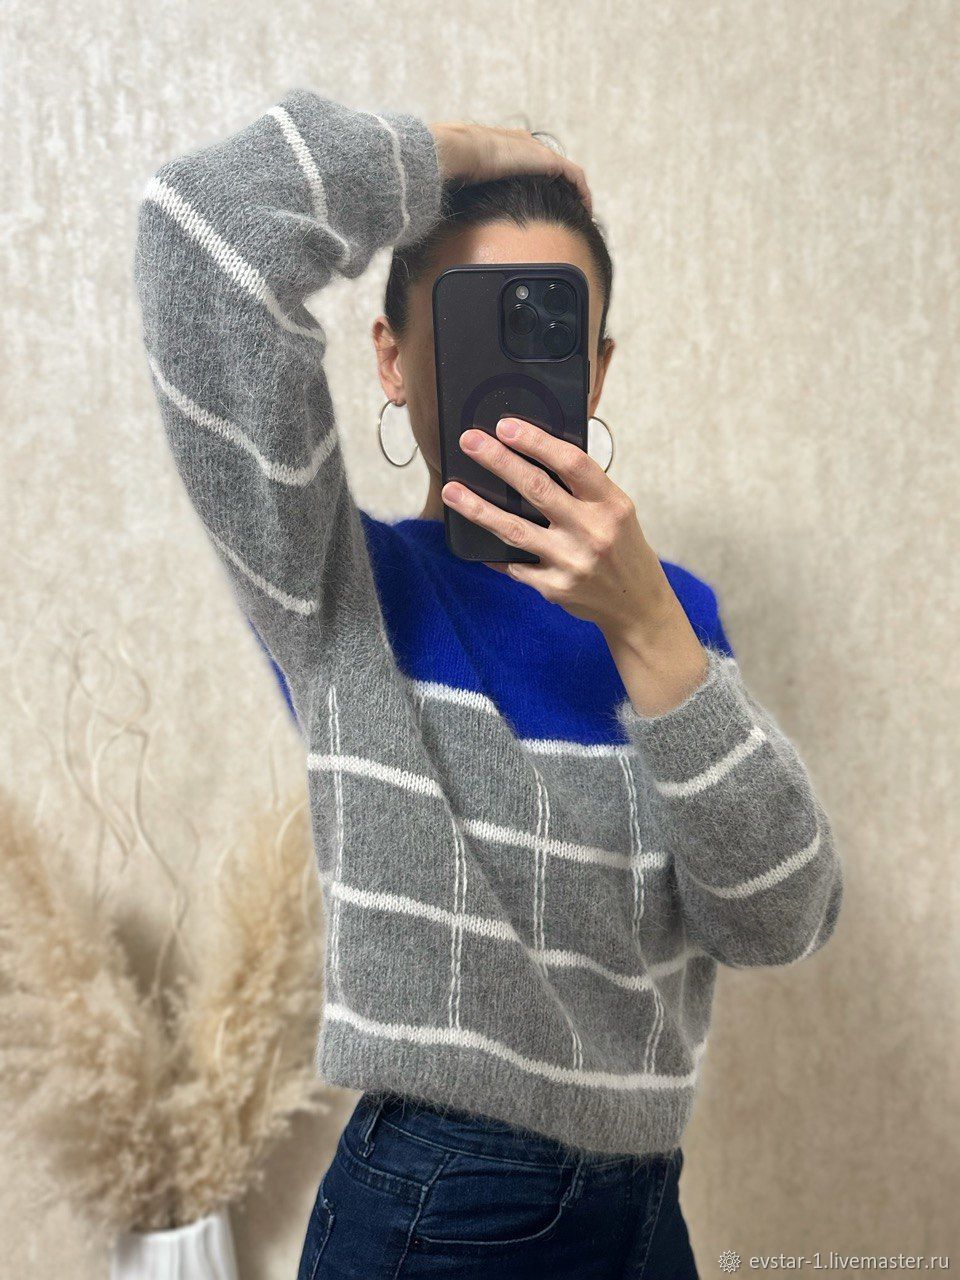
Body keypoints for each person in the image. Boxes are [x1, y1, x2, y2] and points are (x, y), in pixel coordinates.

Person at [134, 87, 844, 1280]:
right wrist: (472, 154)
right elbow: (202, 228)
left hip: (645, 1211)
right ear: (391, 356)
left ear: (597, 370)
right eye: (474, 321)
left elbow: (782, 918)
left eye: (549, 327)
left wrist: (649, 629)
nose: (513, 364)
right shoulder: (340, 590)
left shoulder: (673, 618)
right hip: (439, 1210)